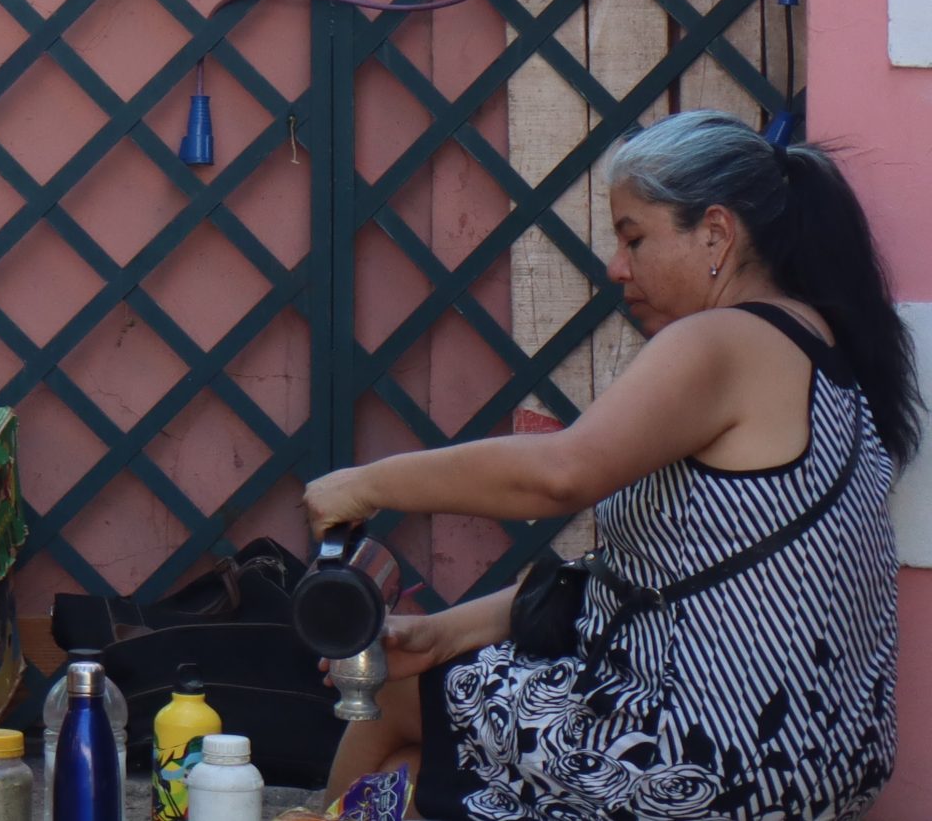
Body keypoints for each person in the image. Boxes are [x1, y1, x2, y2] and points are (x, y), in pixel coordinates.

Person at [302, 111, 916, 821]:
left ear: (716, 233)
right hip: (812, 758)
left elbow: (560, 472)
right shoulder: (817, 344)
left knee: (389, 697)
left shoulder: (723, 342)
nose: (616, 266)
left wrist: (366, 484)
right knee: (410, 771)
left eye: (634, 238)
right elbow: (657, 572)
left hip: (705, 755)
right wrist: (445, 632)